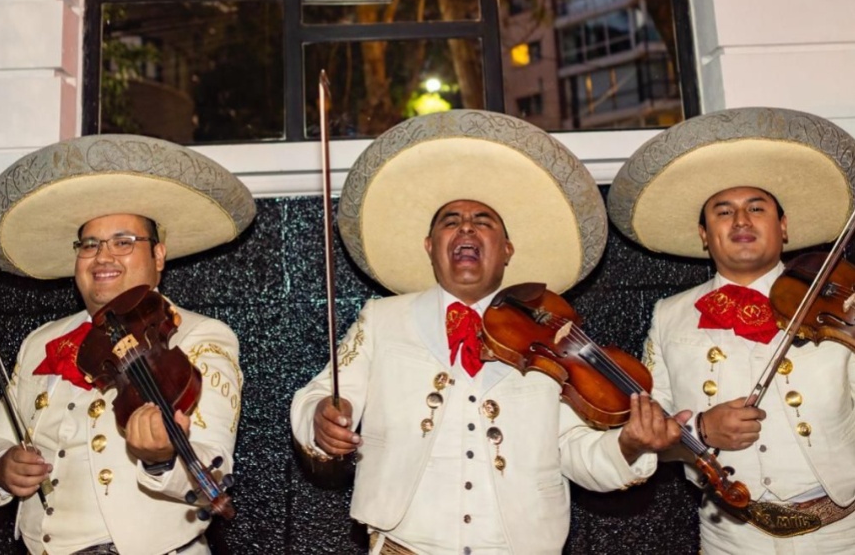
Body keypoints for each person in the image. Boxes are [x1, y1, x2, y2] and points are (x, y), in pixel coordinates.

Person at [291, 109, 688, 555]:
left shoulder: (552, 339)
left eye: (484, 221)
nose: (466, 226)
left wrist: (629, 444)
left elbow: (576, 452)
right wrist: (321, 418)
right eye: (450, 220)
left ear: (507, 250)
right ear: (430, 247)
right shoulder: (382, 319)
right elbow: (319, 395)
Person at [0, 134, 255, 555]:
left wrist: (160, 458)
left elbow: (212, 464)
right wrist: (0, 466)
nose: (103, 257)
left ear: (158, 255)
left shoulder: (201, 336)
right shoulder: (42, 341)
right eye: (90, 245)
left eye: (123, 242)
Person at [607, 105, 855, 554]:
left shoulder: (838, 302)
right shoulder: (670, 314)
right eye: (724, 212)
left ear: (782, 227)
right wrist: (700, 431)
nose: (741, 221)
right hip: (730, 538)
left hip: (842, 535)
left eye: (756, 208)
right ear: (705, 234)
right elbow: (649, 431)